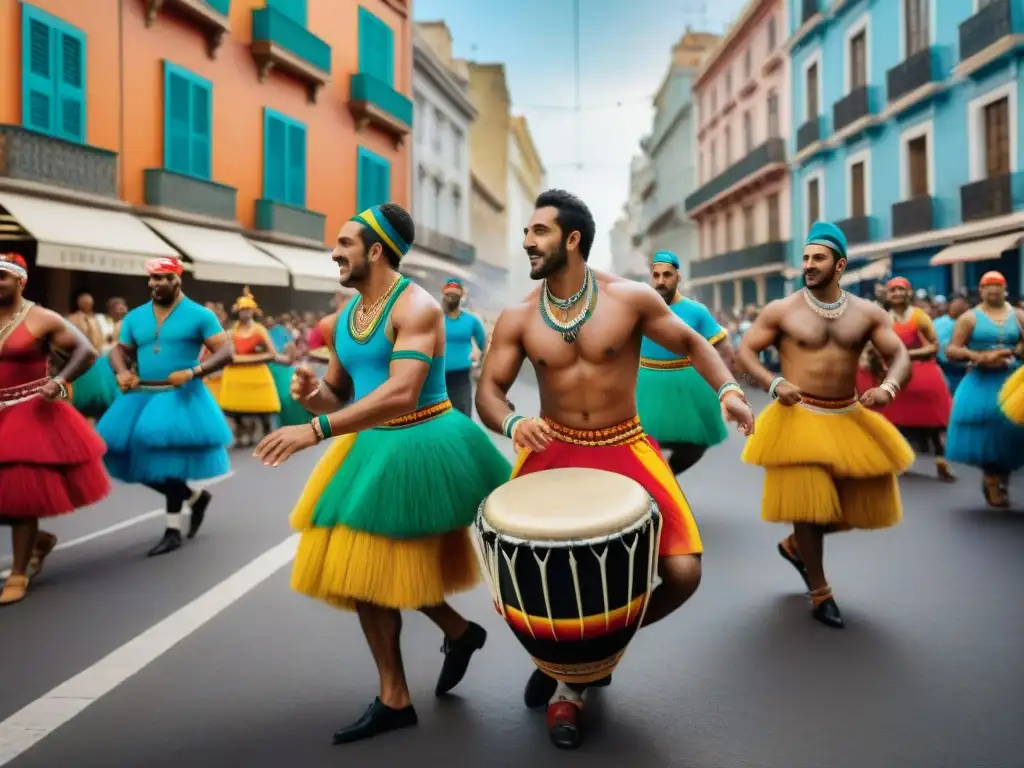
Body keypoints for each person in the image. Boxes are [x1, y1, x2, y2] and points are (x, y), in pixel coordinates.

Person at [475, 189, 754, 749]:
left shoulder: (630, 299)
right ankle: (565, 678)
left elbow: (694, 342)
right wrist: (510, 424)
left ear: (572, 239)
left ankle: (589, 654)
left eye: (539, 232)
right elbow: (489, 391)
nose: (527, 241)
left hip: (625, 445)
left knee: (683, 574)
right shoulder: (519, 316)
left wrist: (727, 389)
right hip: (552, 448)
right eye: (527, 232)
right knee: (528, 574)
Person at [254, 203, 510, 745]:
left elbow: (400, 392)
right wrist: (310, 397)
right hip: (373, 446)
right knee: (375, 567)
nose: (334, 252)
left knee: (375, 566)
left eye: (344, 243)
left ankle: (405, 689)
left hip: (421, 442)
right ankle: (451, 641)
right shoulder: (345, 318)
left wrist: (315, 428)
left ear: (375, 250)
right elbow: (340, 392)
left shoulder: (416, 307)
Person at [737, 222, 914, 629]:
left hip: (847, 415)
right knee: (810, 505)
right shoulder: (781, 310)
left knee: (860, 503)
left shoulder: (868, 313)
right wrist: (773, 382)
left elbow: (900, 355)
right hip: (798, 418)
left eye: (818, 258)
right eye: (806, 258)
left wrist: (888, 387)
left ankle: (798, 546)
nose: (809, 265)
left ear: (840, 265)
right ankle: (821, 591)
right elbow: (745, 351)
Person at [97, 257, 234, 556]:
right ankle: (195, 498)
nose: (154, 284)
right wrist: (122, 372)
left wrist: (195, 371)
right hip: (141, 396)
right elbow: (119, 353)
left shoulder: (200, 315)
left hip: (181, 395)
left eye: (161, 278)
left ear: (176, 279)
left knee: (168, 462)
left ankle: (172, 529)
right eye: (151, 278)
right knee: (129, 459)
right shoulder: (135, 317)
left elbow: (226, 351)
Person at [0, 255, 110, 604]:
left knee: (19, 497)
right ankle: (38, 540)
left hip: (27, 412)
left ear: (20, 281)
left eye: (2, 277)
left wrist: (60, 382)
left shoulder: (42, 318)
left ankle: (19, 573)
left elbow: (86, 351)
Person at [637, 251, 732, 474]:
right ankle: (650, 488)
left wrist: (723, 382)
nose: (661, 281)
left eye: (667, 275)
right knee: (640, 444)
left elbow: (718, 345)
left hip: (688, 384)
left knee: (696, 444)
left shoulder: (697, 311)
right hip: (644, 383)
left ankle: (666, 478)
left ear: (678, 277)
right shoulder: (638, 309)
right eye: (656, 275)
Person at [856, 277, 954, 481]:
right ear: (887, 295)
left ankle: (941, 462)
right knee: (891, 422)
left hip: (921, 373)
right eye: (893, 291)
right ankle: (893, 459)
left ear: (909, 293)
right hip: (892, 374)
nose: (897, 294)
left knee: (934, 424)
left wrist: (908, 355)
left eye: (901, 290)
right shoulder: (883, 319)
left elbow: (934, 346)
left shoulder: (919, 316)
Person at [945, 271, 1024, 508]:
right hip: (981, 381)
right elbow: (952, 350)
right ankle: (991, 480)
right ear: (980, 291)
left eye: (997, 286)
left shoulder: (1018, 315)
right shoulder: (969, 318)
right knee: (988, 431)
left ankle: (1004, 478)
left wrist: (1018, 349)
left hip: (1012, 381)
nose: (993, 290)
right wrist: (980, 356)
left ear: (1005, 289)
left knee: (1013, 431)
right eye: (987, 286)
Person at [217, 288, 281, 447]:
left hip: (257, 373)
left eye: (247, 310)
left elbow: (272, 353)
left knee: (263, 411)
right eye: (242, 310)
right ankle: (241, 433)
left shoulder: (260, 330)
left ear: (253, 311)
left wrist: (248, 359)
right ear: (238, 311)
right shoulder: (232, 332)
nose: (245, 313)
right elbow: (228, 352)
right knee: (235, 410)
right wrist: (234, 359)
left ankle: (267, 433)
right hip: (236, 375)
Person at [67, 292, 120, 421]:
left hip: (97, 358)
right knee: (82, 394)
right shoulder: (72, 319)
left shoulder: (97, 319)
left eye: (90, 303)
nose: (88, 305)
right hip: (81, 359)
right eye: (85, 303)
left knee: (102, 391)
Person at [441, 277, 487, 417]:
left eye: (454, 295)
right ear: (443, 295)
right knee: (436, 421)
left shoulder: (471, 321)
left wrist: (481, 368)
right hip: (436, 379)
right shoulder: (434, 318)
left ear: (461, 296)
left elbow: (485, 346)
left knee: (462, 419)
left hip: (461, 379)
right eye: (448, 295)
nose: (450, 298)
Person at [934, 294, 970, 394]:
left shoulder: (973, 322)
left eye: (961, 306)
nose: (957, 309)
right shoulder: (938, 323)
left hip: (967, 370)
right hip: (947, 369)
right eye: (954, 306)